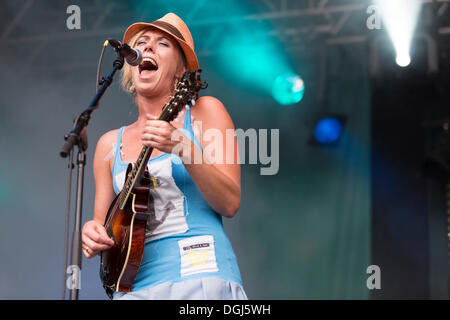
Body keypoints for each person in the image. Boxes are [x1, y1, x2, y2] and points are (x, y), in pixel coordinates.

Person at [81, 12, 247, 300]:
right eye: (142, 42)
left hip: (201, 277)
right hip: (133, 290)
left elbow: (230, 202)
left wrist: (182, 147)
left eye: (162, 44)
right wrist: (91, 233)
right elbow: (104, 229)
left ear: (182, 70)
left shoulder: (205, 113)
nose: (147, 48)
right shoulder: (109, 145)